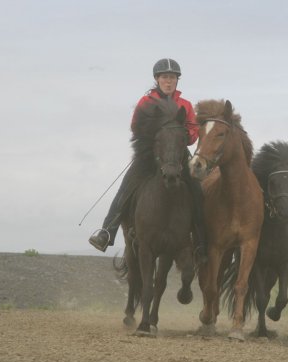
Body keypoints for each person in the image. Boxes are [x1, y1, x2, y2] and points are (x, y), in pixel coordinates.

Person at [88, 58, 207, 260]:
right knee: (126, 187)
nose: (168, 81)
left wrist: (184, 136)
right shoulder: (146, 102)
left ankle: (201, 243)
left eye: (172, 78)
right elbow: (135, 126)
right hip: (149, 156)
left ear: (177, 81)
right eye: (164, 77)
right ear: (157, 79)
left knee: (197, 191)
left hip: (177, 156)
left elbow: (194, 131)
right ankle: (107, 232)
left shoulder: (185, 105)